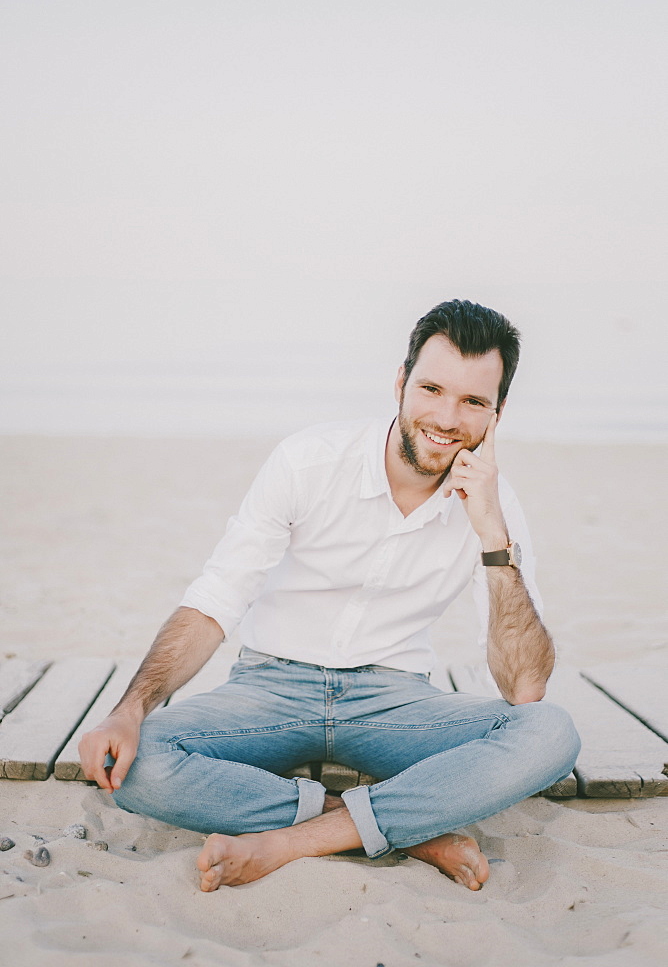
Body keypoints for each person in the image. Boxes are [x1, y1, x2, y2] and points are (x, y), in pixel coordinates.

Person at [79, 299, 580, 893]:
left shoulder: (497, 506)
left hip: (394, 704)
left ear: (498, 413)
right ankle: (403, 829)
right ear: (400, 382)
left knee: (551, 733)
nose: (447, 417)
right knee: (135, 764)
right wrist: (128, 710)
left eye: (473, 401)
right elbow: (217, 599)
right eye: (432, 389)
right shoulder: (309, 461)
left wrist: (494, 537)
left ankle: (295, 841)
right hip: (269, 690)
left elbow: (524, 689)